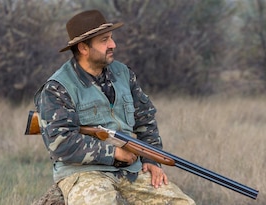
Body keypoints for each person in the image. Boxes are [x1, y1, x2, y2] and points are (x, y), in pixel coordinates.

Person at [34, 10, 195, 205]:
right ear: (83, 47)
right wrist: (114, 154)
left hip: (131, 171)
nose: (113, 45)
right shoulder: (58, 87)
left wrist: (152, 160)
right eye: (104, 40)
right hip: (83, 174)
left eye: (111, 38)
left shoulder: (123, 73)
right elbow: (61, 144)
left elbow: (146, 119)